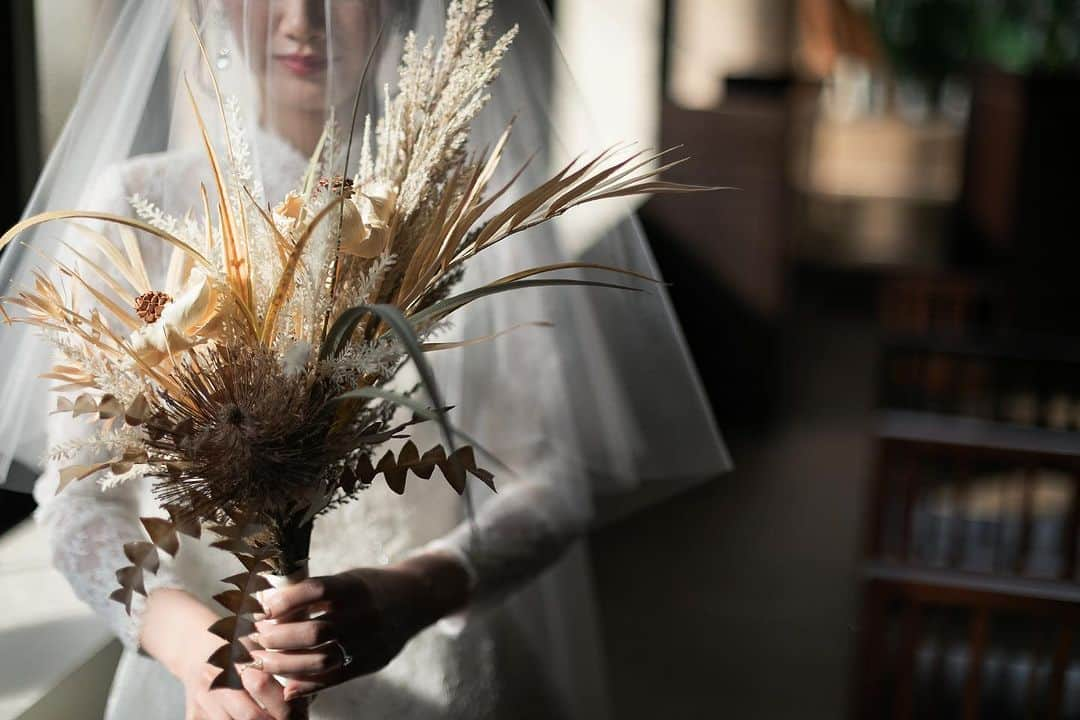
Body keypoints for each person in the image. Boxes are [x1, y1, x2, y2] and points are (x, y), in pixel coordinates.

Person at [0, 2, 730, 719]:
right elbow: (76, 503)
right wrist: (203, 656)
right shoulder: (134, 209)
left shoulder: (466, 219)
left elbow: (553, 478)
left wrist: (414, 590)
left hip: (433, 673)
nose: (300, 18)